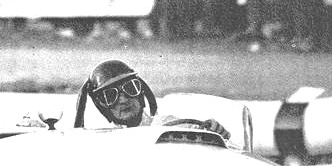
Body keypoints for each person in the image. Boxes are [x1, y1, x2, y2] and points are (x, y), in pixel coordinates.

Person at [73, 59, 230, 139]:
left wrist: (216, 133)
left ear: (140, 92)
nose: (123, 100)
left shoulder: (167, 124)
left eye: (130, 89)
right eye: (110, 96)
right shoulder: (99, 141)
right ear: (103, 105)